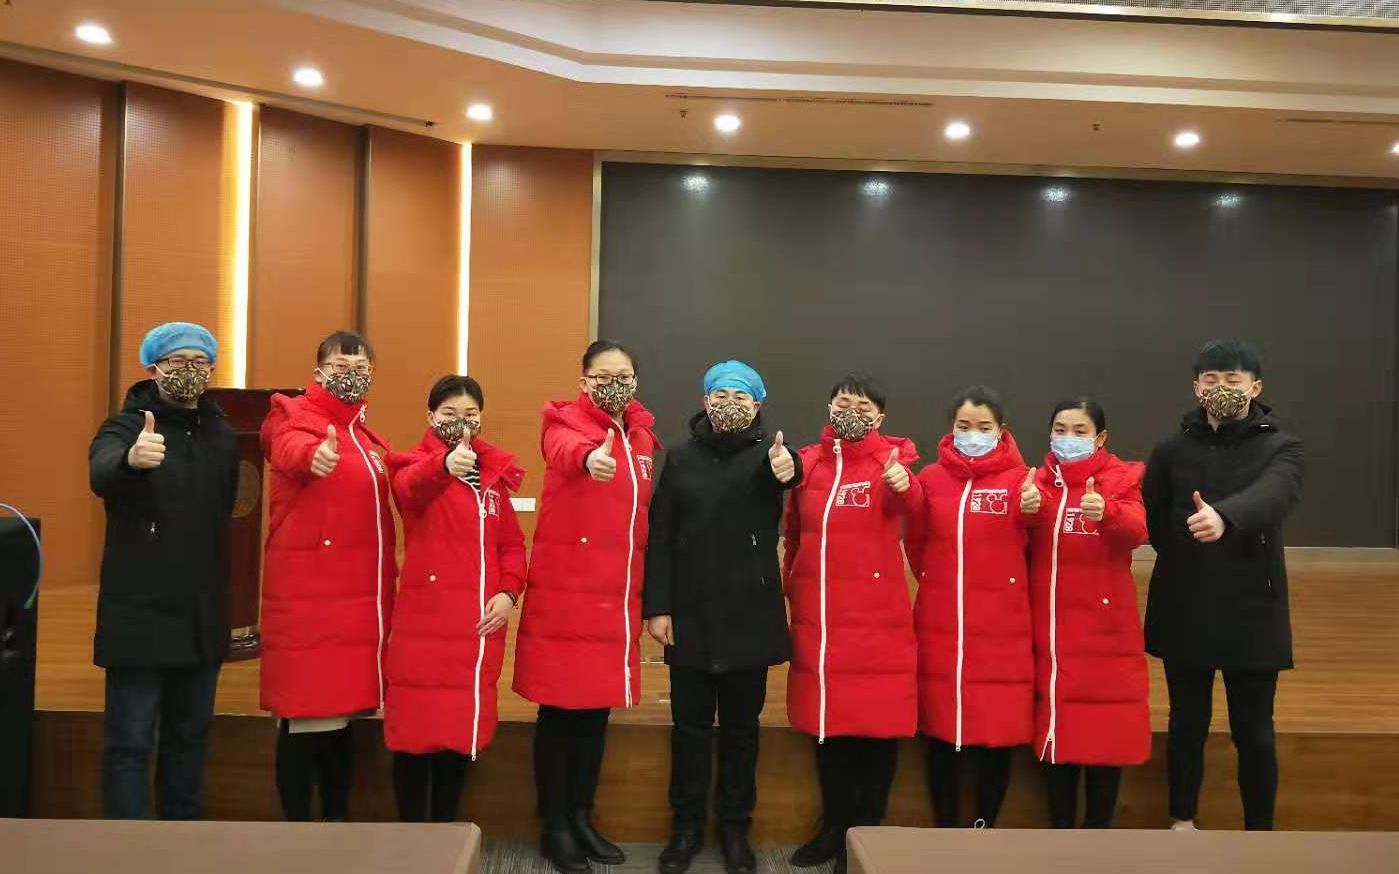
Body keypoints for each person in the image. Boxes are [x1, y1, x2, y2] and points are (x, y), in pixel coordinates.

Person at [643, 360, 802, 874]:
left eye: (741, 396)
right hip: (688, 615)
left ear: (758, 404)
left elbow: (792, 470)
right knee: (689, 730)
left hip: (748, 616)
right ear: (705, 400)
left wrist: (790, 467)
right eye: (721, 394)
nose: (729, 403)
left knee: (741, 732)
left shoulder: (769, 456)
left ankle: (736, 830)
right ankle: (685, 829)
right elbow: (661, 537)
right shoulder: (680, 458)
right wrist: (658, 607)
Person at [1144, 339, 1304, 832]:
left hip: (1252, 609)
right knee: (1186, 724)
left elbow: (1275, 494)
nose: (1222, 389)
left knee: (1254, 731)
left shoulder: (1281, 447)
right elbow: (1155, 517)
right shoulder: (1170, 449)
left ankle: (1259, 834)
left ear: (1255, 387)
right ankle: (1182, 822)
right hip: (1185, 604)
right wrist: (1185, 556)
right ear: (1196, 388)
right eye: (1211, 380)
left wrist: (1225, 517)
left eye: (1233, 380)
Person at [513, 340, 660, 874]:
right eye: (603, 376)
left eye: (623, 376)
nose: (613, 385)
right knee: (559, 712)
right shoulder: (564, 422)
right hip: (566, 594)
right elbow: (563, 449)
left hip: (614, 597)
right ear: (584, 381)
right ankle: (553, 824)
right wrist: (589, 457)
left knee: (596, 713)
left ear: (635, 382)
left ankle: (580, 816)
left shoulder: (642, 436)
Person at [88, 322, 238, 820]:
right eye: (177, 361)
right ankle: (127, 846)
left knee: (190, 740)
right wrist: (130, 460)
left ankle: (182, 839)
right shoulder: (125, 426)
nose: (188, 371)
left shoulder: (222, 434)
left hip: (201, 617)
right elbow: (101, 471)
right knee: (130, 743)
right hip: (139, 614)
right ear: (153, 368)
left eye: (199, 362)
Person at [784, 375, 920, 874]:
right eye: (843, 402)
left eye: (863, 405)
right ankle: (833, 829)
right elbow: (793, 535)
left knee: (877, 730)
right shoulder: (808, 463)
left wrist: (904, 485)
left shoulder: (893, 462)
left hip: (878, 620)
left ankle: (867, 833)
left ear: (879, 417)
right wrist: (792, 587)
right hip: (821, 619)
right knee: (830, 728)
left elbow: (913, 504)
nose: (851, 411)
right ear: (828, 406)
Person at [259, 330, 397, 822]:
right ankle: (298, 829)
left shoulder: (366, 436)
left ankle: (337, 825)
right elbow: (287, 445)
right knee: (305, 719)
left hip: (356, 603)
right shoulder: (295, 414)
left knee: (339, 721)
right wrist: (310, 456)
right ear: (318, 372)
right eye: (341, 366)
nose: (351, 375)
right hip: (311, 602)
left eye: (361, 368)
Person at [383, 375, 527, 822]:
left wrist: (508, 592)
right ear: (430, 417)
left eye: (470, 414)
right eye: (449, 413)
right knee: (414, 735)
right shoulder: (412, 465)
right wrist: (445, 464)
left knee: (458, 736)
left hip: (476, 628)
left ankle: (446, 836)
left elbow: (512, 546)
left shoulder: (493, 478)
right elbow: (410, 489)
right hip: (425, 626)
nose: (461, 422)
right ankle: (411, 839)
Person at [905, 385, 1041, 828]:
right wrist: (942, 582)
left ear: (1001, 430)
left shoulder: (1023, 482)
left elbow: (1036, 548)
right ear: (951, 428)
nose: (973, 434)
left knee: (995, 731)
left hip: (1002, 629)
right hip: (941, 623)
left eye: (984, 427)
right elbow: (917, 543)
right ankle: (946, 827)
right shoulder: (930, 479)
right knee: (941, 730)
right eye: (964, 426)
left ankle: (985, 826)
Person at [1028, 398, 1150, 829]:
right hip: (1051, 629)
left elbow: (1137, 531)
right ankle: (1061, 834)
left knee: (1104, 735)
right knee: (1057, 732)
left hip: (1104, 633)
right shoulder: (1038, 482)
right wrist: (1024, 513)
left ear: (1100, 438)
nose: (1068, 438)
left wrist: (1108, 513)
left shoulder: (1119, 480)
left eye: (1080, 431)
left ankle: (1099, 835)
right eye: (1060, 430)